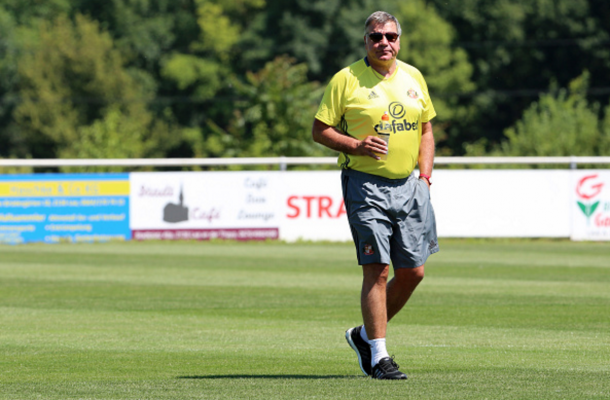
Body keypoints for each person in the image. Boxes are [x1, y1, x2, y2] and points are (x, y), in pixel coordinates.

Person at [312, 11, 439, 380]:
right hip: (365, 185)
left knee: (414, 272)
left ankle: (364, 336)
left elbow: (426, 129)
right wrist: (355, 144)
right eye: (376, 37)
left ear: (399, 39)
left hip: (410, 187)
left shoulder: (413, 76)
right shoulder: (346, 79)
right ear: (365, 41)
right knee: (378, 270)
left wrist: (426, 179)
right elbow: (320, 130)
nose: (385, 42)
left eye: (391, 36)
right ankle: (379, 357)